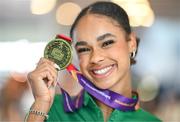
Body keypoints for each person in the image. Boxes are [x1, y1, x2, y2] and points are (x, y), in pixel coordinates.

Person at [26, 1, 161, 122]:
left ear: (131, 43)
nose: (96, 58)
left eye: (107, 42)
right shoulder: (52, 109)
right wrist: (41, 103)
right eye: (84, 49)